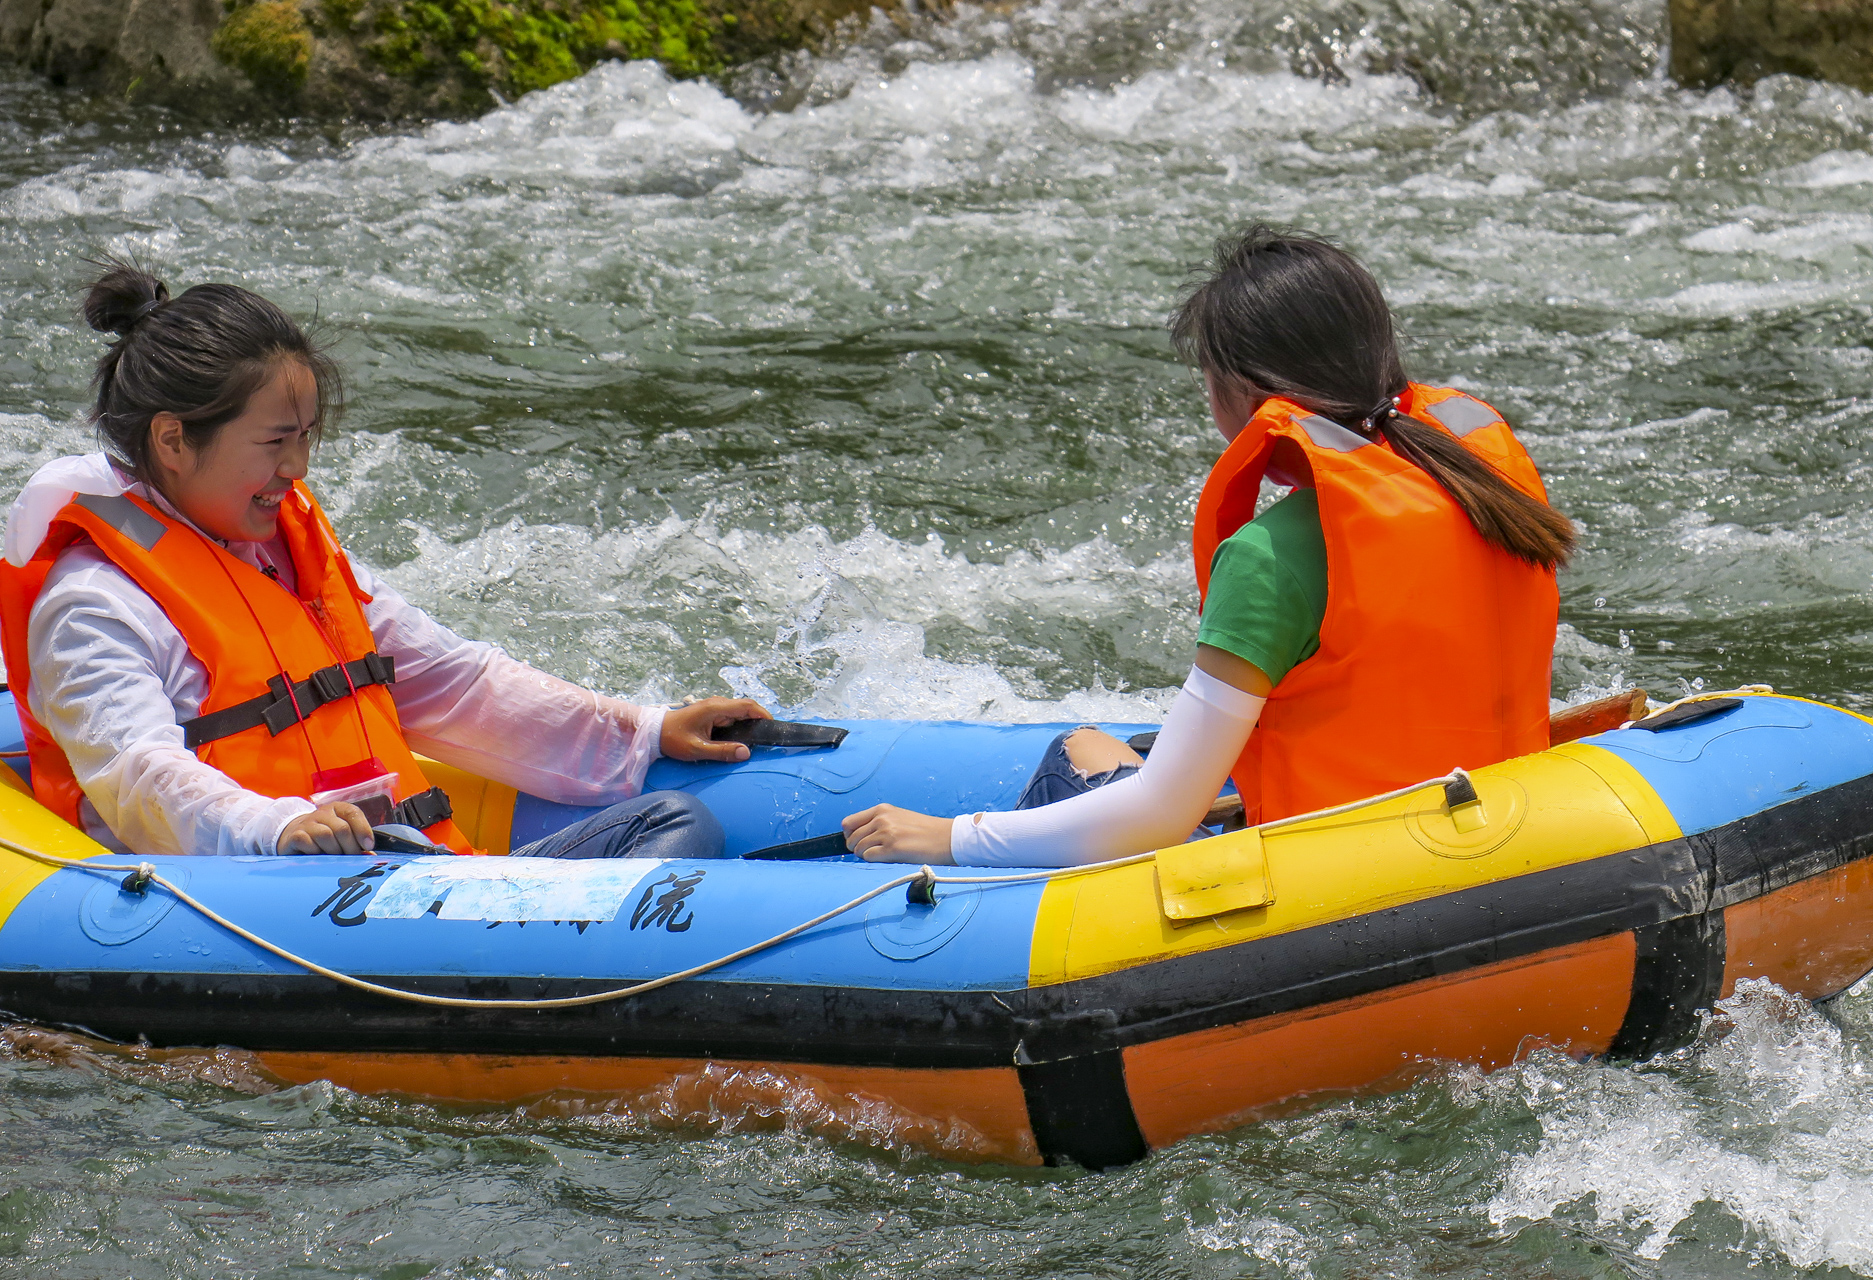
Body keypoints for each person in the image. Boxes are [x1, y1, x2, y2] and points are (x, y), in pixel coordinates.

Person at [842, 225, 1575, 867]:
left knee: (1080, 752)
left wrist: (949, 838)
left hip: (1335, 886)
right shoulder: (1489, 484)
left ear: (1250, 396)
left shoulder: (1273, 556)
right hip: (1496, 850)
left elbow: (1159, 815)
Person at [0, 263, 768, 860]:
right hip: (258, 888)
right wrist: (280, 826)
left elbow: (449, 679)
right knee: (678, 831)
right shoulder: (92, 606)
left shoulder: (284, 555)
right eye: (275, 441)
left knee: (674, 820)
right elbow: (137, 774)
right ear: (173, 441)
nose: (298, 468)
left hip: (383, 867)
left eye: (306, 436)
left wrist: (644, 728)